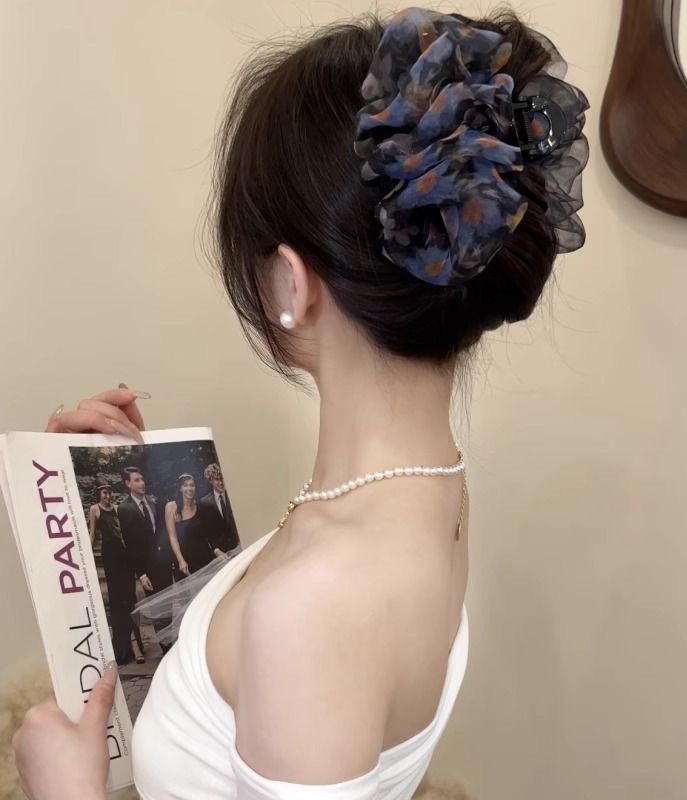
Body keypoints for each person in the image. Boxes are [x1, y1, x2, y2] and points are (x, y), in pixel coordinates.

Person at [13, 8, 589, 800]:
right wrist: (105, 504)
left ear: (289, 283)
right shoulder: (435, 491)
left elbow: (306, 636)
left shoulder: (315, 605)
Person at [116, 466, 175, 651]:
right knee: (158, 611)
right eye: (137, 480)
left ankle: (174, 645)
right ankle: (167, 650)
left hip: (164, 563)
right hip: (147, 569)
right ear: (128, 484)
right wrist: (141, 574)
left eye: (142, 479)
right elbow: (130, 545)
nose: (142, 483)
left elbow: (161, 533)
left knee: (170, 606)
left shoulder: (152, 502)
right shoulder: (124, 509)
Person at [87, 485, 144, 666]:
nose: (108, 495)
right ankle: (125, 647)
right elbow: (92, 534)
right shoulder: (94, 509)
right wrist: (86, 557)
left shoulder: (118, 509)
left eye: (109, 493)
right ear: (99, 494)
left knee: (129, 597)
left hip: (123, 554)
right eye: (104, 493)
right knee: (118, 601)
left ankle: (136, 644)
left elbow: (124, 532)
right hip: (110, 557)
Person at [165, 473, 222, 575]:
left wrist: (217, 551)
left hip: (204, 556)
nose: (189, 488)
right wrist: (181, 560)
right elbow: (172, 537)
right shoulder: (171, 507)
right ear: (180, 488)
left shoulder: (200, 506)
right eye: (185, 485)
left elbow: (208, 534)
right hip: (186, 560)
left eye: (192, 485)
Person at [199, 462, 240, 553]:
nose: (221, 483)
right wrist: (216, 550)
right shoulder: (205, 503)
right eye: (217, 480)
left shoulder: (234, 494)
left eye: (222, 479)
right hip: (223, 553)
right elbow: (207, 532)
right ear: (210, 480)